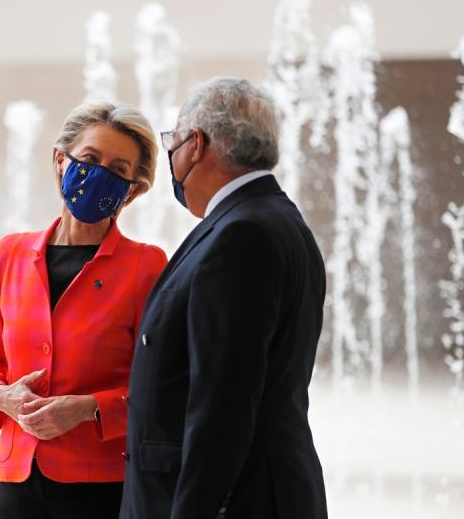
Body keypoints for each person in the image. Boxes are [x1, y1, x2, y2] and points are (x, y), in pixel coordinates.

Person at [119, 77, 329, 519]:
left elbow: (223, 403)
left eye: (173, 141)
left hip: (235, 501)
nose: (172, 156)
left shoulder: (242, 235)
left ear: (196, 144)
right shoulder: (270, 218)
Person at [0, 101, 168, 519]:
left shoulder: (146, 266)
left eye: (118, 169)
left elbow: (164, 384)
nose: (100, 175)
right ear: (61, 160)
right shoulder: (9, 255)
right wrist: (1, 396)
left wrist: (88, 408)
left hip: (102, 486)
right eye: (90, 160)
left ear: (133, 188)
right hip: (15, 482)